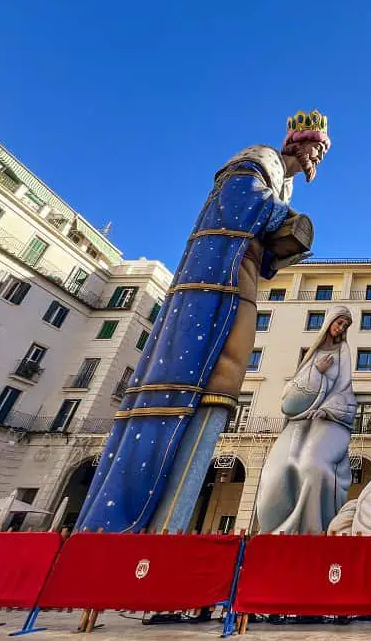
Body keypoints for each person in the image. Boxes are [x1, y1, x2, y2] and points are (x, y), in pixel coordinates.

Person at [77, 110, 331, 533]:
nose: (318, 156)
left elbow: (266, 249)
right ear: (296, 143)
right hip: (218, 275)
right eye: (316, 146)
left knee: (227, 376)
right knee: (209, 368)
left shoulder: (281, 184)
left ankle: (171, 522)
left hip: (242, 272)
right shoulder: (260, 160)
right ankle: (146, 523)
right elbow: (237, 205)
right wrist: (284, 221)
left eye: (322, 150)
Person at [254, 306, 357, 534]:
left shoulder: (343, 351)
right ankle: (278, 528)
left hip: (328, 421)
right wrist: (317, 372)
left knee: (314, 467)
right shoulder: (312, 354)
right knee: (277, 470)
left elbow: (344, 388)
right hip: (299, 422)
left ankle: (313, 529)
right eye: (339, 322)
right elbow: (293, 390)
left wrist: (328, 409)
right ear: (329, 322)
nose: (341, 328)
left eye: (345, 325)